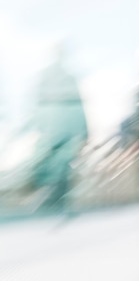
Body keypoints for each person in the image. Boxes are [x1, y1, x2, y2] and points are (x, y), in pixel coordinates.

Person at [31, 42, 88, 212]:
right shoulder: (67, 77)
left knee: (55, 164)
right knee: (61, 166)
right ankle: (56, 200)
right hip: (65, 128)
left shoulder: (46, 75)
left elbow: (36, 104)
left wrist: (37, 125)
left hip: (52, 128)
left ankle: (53, 199)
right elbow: (78, 105)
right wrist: (85, 131)